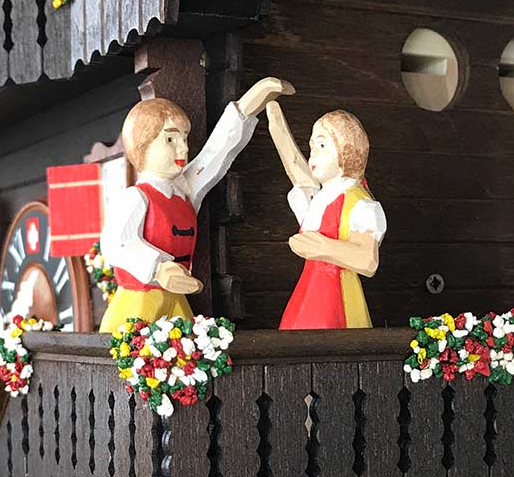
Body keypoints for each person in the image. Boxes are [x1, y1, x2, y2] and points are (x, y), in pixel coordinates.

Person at [99, 76, 295, 332]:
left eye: (184, 138)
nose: (183, 148)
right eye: (170, 140)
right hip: (138, 303)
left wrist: (248, 107)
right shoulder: (136, 197)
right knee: (134, 351)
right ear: (142, 145)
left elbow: (214, 155)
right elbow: (115, 244)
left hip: (176, 300)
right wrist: (158, 269)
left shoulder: (184, 192)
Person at [266, 103, 387, 329]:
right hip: (309, 295)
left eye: (322, 145)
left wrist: (321, 247)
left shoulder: (358, 203)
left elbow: (368, 260)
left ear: (347, 151)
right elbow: (297, 172)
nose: (313, 154)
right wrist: (278, 129)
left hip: (337, 299)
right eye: (312, 146)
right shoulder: (322, 197)